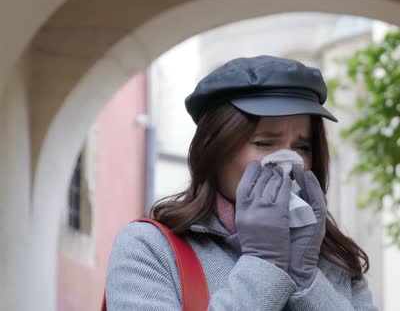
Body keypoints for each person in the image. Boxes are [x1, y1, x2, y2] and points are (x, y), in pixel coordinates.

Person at [105, 55, 378, 310]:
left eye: (302, 147)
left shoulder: (333, 261)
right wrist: (262, 265)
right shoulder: (150, 248)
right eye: (264, 143)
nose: (288, 162)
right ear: (214, 151)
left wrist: (305, 278)